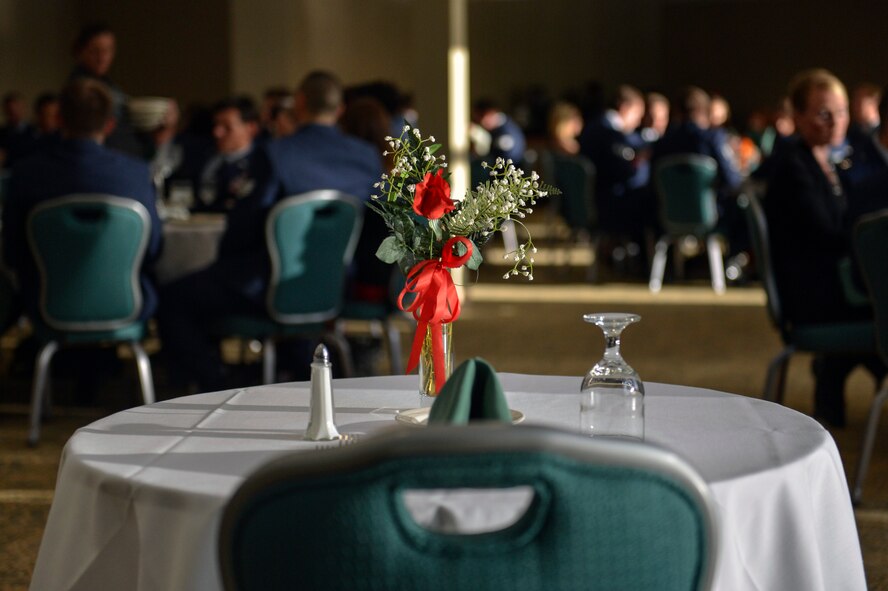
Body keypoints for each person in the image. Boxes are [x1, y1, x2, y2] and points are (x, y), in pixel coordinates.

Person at [156, 70, 379, 391]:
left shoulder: (278, 153)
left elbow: (243, 227)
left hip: (269, 286)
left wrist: (226, 261)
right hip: (334, 286)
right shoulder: (364, 156)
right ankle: (282, 369)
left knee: (173, 298)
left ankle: (215, 384)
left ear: (299, 103)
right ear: (340, 108)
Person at [763, 68, 881, 427]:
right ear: (797, 116)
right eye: (823, 113)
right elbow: (827, 234)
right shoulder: (792, 166)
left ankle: (834, 370)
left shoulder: (824, 160)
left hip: (826, 282)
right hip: (812, 295)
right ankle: (841, 367)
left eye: (842, 111)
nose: (836, 121)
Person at [1, 78, 162, 322]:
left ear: (58, 119)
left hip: (46, 301)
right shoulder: (137, 174)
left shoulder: (27, 174)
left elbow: (12, 252)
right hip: (124, 302)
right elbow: (153, 250)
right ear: (109, 125)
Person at [68, 22, 143, 157]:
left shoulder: (108, 84)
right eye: (95, 51)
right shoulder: (81, 89)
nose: (102, 58)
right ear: (81, 52)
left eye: (107, 50)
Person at [193, 96, 272, 213]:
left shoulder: (263, 163)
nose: (217, 133)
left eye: (227, 127)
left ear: (251, 128)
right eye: (216, 125)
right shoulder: (203, 156)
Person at [472, 98, 526, 165]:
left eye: (481, 118)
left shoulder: (506, 134)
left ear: (491, 113)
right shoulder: (506, 123)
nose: (482, 123)